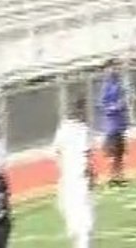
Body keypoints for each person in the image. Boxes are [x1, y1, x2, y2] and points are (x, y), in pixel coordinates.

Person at [53, 98, 94, 248]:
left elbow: (56, 151)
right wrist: (90, 175)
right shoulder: (82, 130)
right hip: (78, 178)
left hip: (67, 178)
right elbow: (86, 154)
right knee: (85, 222)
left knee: (71, 215)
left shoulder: (63, 128)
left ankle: (78, 239)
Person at [97, 61, 128, 187]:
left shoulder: (119, 84)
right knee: (113, 152)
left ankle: (119, 175)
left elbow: (123, 100)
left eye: (115, 68)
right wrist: (114, 107)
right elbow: (102, 105)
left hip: (120, 123)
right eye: (111, 69)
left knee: (120, 152)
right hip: (112, 125)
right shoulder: (107, 86)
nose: (114, 71)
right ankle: (111, 177)